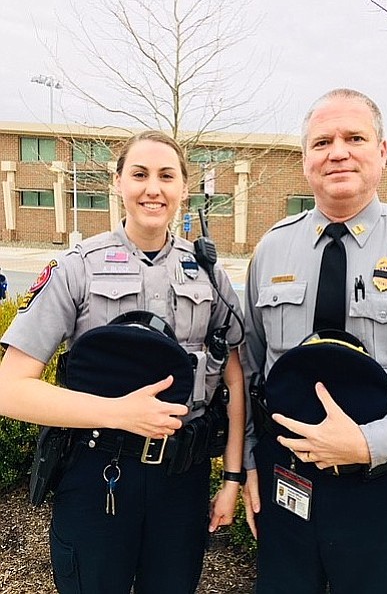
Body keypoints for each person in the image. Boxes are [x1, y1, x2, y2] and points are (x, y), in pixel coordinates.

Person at [241, 88, 387, 594]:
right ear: (305, 160)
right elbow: (250, 369)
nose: (337, 151)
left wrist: (368, 443)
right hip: (287, 484)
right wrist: (253, 462)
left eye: (354, 137)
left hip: (384, 489)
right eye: (322, 141)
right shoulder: (273, 249)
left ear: (382, 152)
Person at [0, 130, 245, 594]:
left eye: (166, 176)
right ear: (117, 183)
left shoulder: (210, 273)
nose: (153, 188)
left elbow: (235, 374)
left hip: (182, 478)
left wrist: (232, 476)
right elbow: (9, 389)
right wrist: (118, 413)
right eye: (139, 174)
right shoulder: (79, 267)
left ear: (183, 188)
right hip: (99, 473)